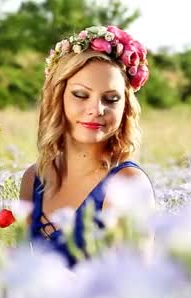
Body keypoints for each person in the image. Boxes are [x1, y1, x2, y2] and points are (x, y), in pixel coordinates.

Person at [19, 25, 155, 267]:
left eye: (111, 99)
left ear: (125, 107)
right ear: (57, 97)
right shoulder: (33, 179)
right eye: (81, 95)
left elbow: (133, 292)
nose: (97, 109)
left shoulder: (126, 184)